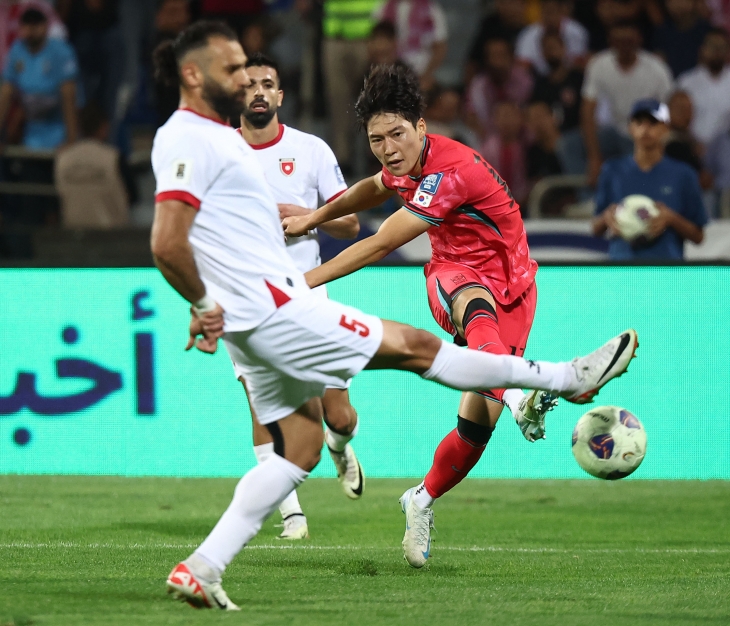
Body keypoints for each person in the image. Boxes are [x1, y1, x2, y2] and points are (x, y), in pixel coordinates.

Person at [151, 22, 637, 609]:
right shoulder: (195, 140)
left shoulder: (436, 168)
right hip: (398, 285)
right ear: (196, 76)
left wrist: (305, 224)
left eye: (394, 135)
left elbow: (372, 191)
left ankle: (214, 563)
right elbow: (376, 230)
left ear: (420, 128)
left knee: (309, 445)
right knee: (420, 347)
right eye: (234, 71)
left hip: (502, 285)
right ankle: (562, 380)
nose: (247, 82)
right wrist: (286, 277)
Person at [283, 63, 569, 569]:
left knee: (477, 427)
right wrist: (315, 218)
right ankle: (523, 389)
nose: (388, 148)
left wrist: (298, 285)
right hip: (455, 274)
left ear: (421, 126)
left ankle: (422, 498)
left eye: (396, 134)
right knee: (473, 306)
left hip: (519, 287)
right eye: (376, 139)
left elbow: (378, 243)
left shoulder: (450, 174)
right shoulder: (404, 162)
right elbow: (372, 189)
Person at [237, 52, 363, 540]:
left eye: (268, 83)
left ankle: (338, 444)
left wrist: (305, 215)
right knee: (260, 405)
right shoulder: (220, 153)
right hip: (248, 300)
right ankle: (292, 515)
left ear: (281, 95)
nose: (259, 91)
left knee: (339, 412)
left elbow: (351, 223)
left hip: (307, 297)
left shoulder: (311, 150)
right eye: (249, 85)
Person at [592, 98, 707, 260]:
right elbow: (595, 228)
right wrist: (606, 218)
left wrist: (671, 219)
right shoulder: (612, 170)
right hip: (622, 270)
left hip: (666, 271)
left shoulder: (684, 174)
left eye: (653, 123)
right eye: (639, 122)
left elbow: (699, 236)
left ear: (665, 128)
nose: (645, 129)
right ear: (630, 128)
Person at [581, 20, 674, 185]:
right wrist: (594, 157)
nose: (624, 45)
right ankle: (587, 197)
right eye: (619, 41)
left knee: (633, 148)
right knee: (570, 144)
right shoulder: (599, 64)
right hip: (611, 129)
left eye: (628, 41)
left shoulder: (656, 68)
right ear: (611, 42)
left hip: (642, 131)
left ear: (639, 40)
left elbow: (670, 109)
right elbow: (588, 111)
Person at [0, 7, 79, 150]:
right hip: (32, 131)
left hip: (58, 128)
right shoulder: (17, 51)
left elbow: (69, 96)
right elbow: (6, 94)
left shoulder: (61, 52)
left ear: (45, 26)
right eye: (26, 25)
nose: (31, 30)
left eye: (35, 24)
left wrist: (71, 139)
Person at [54, 102, 129, 229]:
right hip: (111, 236)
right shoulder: (114, 157)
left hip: (72, 233)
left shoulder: (62, 158)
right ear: (104, 127)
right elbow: (132, 195)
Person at [465, 37, 533, 139]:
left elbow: (529, 112)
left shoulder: (524, 81)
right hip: (487, 138)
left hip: (520, 137)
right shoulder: (478, 85)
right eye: (493, 56)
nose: (498, 61)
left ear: (511, 57)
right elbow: (470, 114)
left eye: (502, 55)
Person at [374, 0, 448, 92]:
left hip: (421, 73)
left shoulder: (431, 9)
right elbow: (376, 43)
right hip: (391, 73)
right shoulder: (383, 8)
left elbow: (440, 47)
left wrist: (425, 76)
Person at [677, 28, 730, 149]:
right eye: (712, 46)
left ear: (728, 50)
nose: (717, 51)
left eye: (721, 47)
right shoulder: (686, 82)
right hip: (691, 146)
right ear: (702, 49)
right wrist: (693, 143)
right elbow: (676, 119)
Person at [515, 0, 588, 76]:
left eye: (552, 11)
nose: (549, 16)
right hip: (537, 79)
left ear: (562, 11)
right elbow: (522, 66)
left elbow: (580, 62)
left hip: (569, 77)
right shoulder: (528, 34)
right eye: (545, 12)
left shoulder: (576, 31)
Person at [652, 0, 711, 78]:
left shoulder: (706, 31)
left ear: (694, 3)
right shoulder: (661, 32)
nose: (677, 4)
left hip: (700, 83)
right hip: (670, 82)